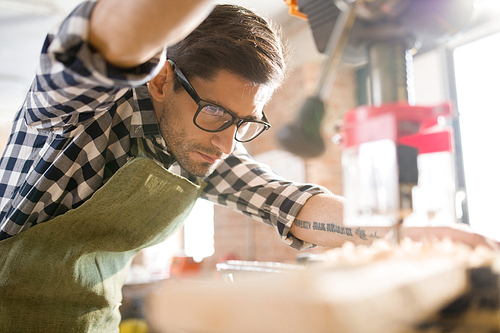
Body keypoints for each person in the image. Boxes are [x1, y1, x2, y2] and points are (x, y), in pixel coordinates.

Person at [0, 0, 496, 331]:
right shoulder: (73, 107)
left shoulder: (208, 143)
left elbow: (288, 203)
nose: (225, 142)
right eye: (215, 112)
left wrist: (411, 235)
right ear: (160, 80)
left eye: (245, 123)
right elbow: (109, 39)